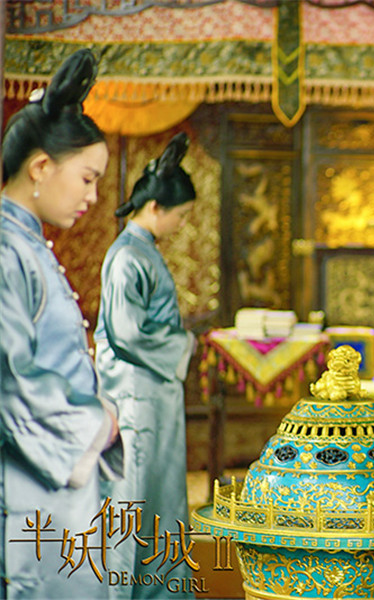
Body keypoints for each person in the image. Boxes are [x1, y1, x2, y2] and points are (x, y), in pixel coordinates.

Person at [0, 49, 122, 598]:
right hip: (32, 482)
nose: (93, 197)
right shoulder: (8, 251)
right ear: (41, 167)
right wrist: (95, 423)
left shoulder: (29, 246)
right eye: (87, 178)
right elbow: (10, 378)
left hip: (55, 475)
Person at [93, 132, 197, 598]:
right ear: (155, 208)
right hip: (134, 396)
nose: (181, 223)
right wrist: (184, 344)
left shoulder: (141, 251)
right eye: (180, 214)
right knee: (131, 498)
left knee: (158, 494)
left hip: (152, 392)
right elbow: (126, 332)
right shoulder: (127, 257)